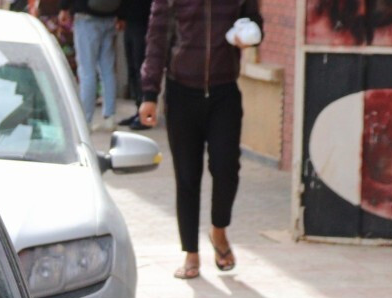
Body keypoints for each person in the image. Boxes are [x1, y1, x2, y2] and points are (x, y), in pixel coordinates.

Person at [138, 0, 263, 279]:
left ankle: (218, 230)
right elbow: (157, 38)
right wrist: (149, 94)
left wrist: (250, 36)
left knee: (226, 167)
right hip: (182, 92)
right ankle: (191, 252)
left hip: (224, 91)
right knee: (186, 175)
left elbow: (256, 23)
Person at [67, 0, 121, 131]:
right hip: (110, 16)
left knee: (87, 71)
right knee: (107, 70)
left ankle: (86, 121)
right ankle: (110, 117)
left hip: (86, 16)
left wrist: (64, 7)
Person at [117, 0, 154, 126]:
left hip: (144, 23)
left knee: (141, 70)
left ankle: (145, 112)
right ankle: (138, 109)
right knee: (132, 69)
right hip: (131, 22)